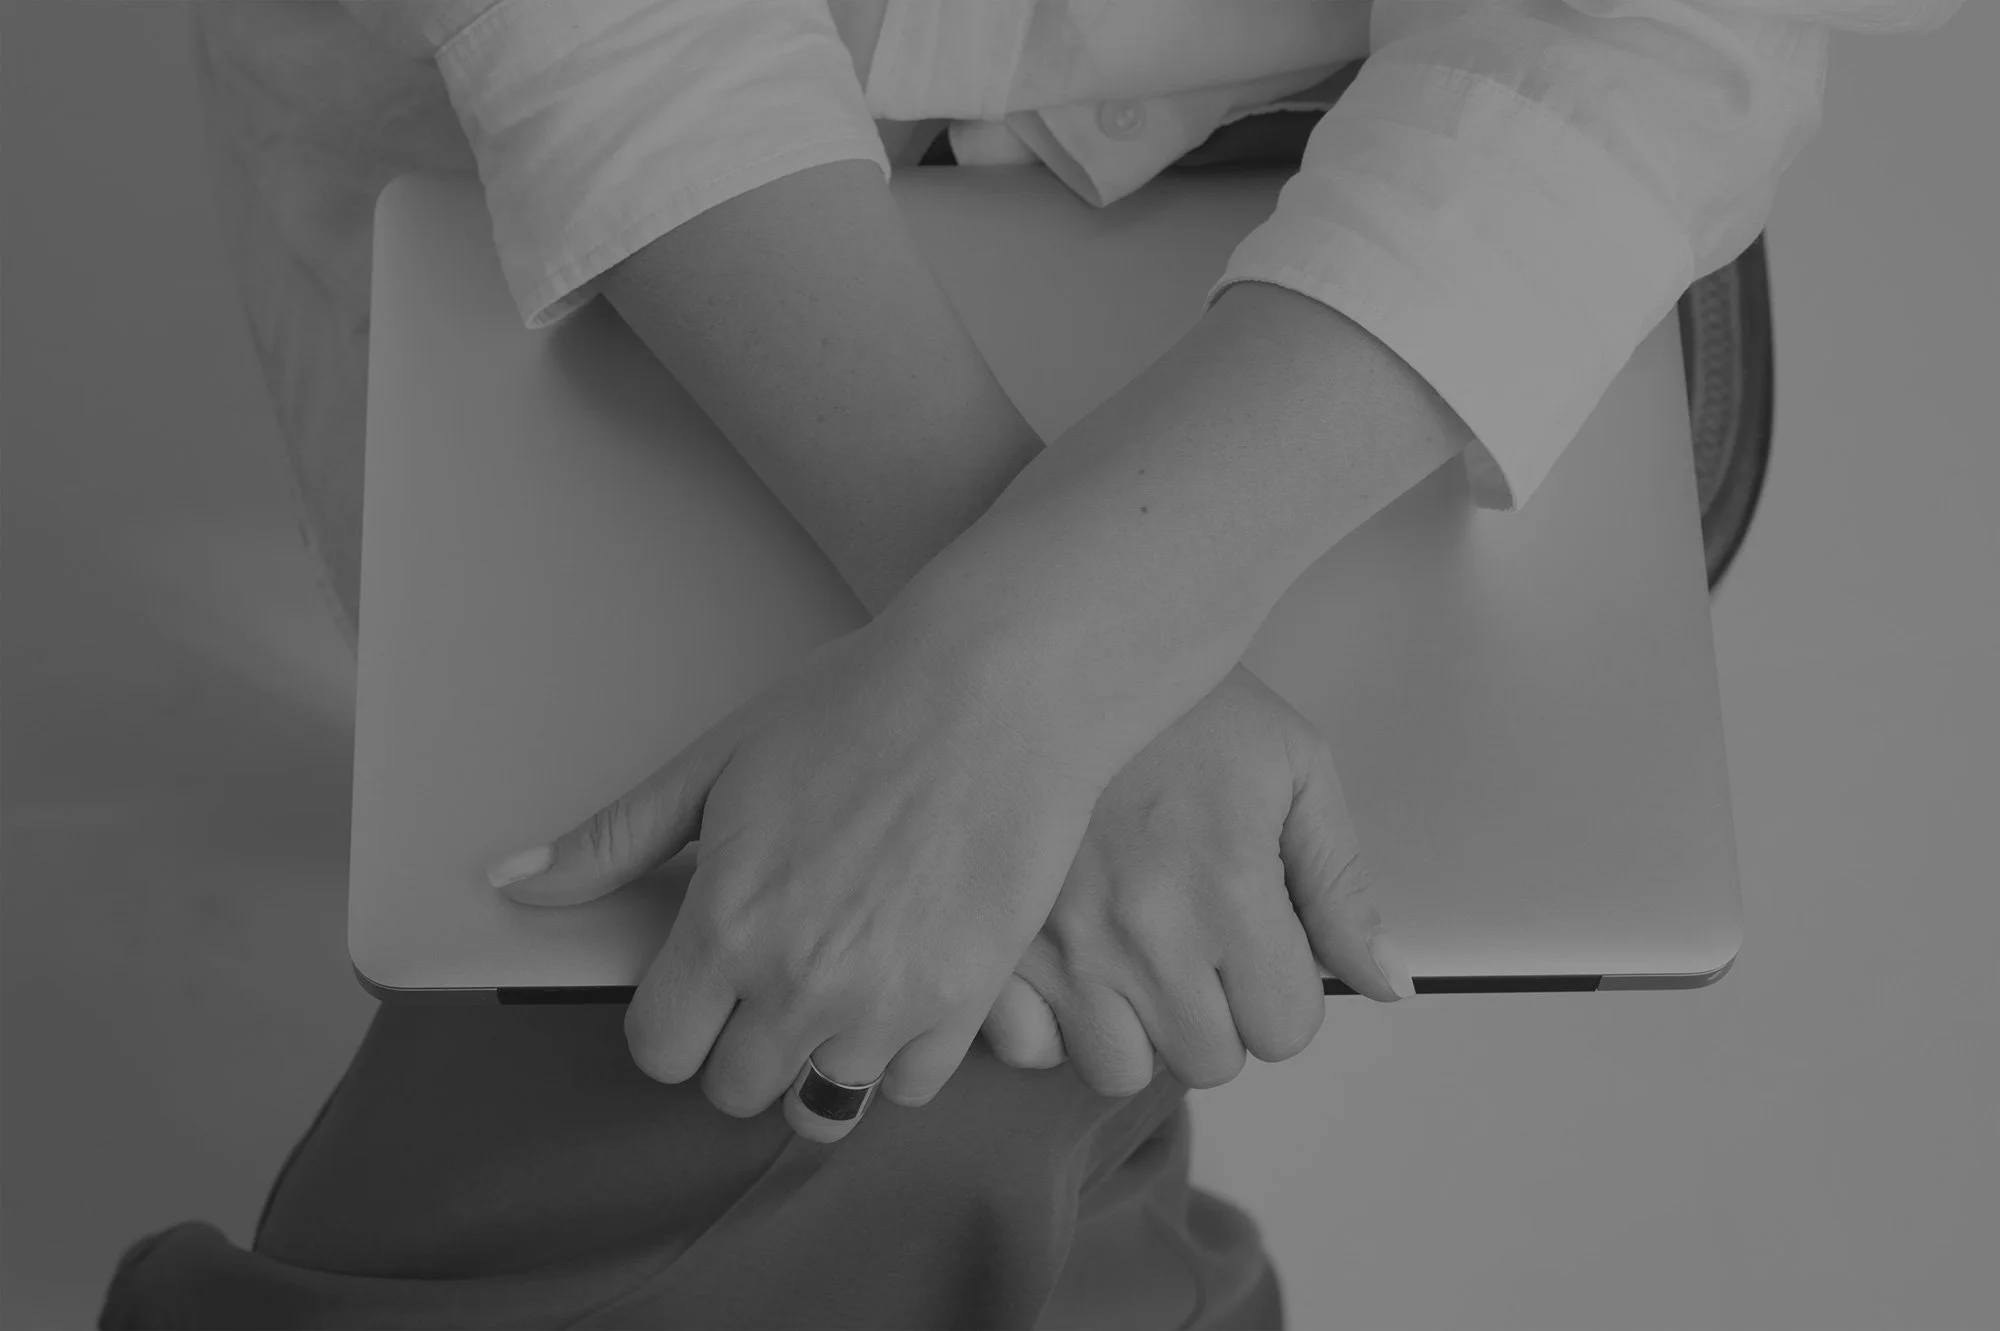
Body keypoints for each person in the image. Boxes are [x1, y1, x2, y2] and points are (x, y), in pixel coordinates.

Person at [102, 2, 1962, 1327]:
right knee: (889, 1065)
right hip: (665, 202)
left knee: (812, 1084)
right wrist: (1021, 688)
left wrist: (1041, 670)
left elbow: (1640, 30)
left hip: (1374, 280)